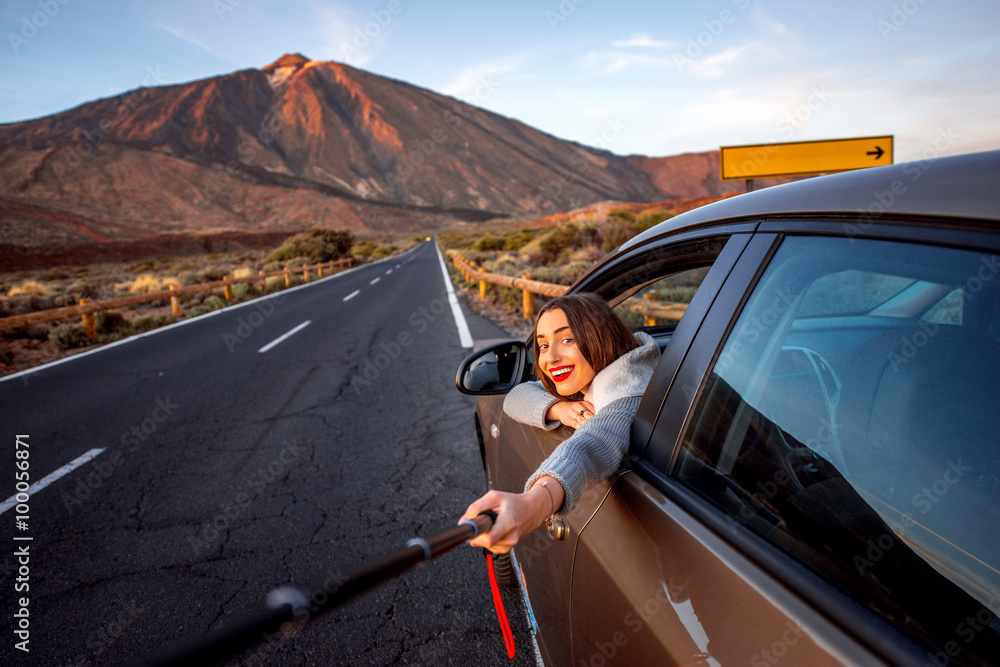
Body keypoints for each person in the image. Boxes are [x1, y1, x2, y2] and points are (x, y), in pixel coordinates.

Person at [461, 292, 660, 554]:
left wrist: (533, 504)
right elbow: (516, 396)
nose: (550, 358)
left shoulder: (626, 396)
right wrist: (560, 409)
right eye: (543, 346)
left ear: (601, 337)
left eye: (567, 340)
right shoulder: (621, 371)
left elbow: (591, 445)